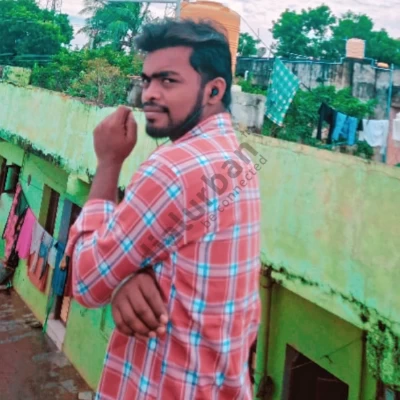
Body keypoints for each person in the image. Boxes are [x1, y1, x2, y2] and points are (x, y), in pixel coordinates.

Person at [66, 19, 261, 400]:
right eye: (147, 80)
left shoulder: (172, 169)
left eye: (168, 81)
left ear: (214, 90)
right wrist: (128, 275)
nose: (149, 94)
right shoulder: (239, 159)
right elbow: (183, 255)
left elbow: (86, 282)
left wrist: (108, 162)